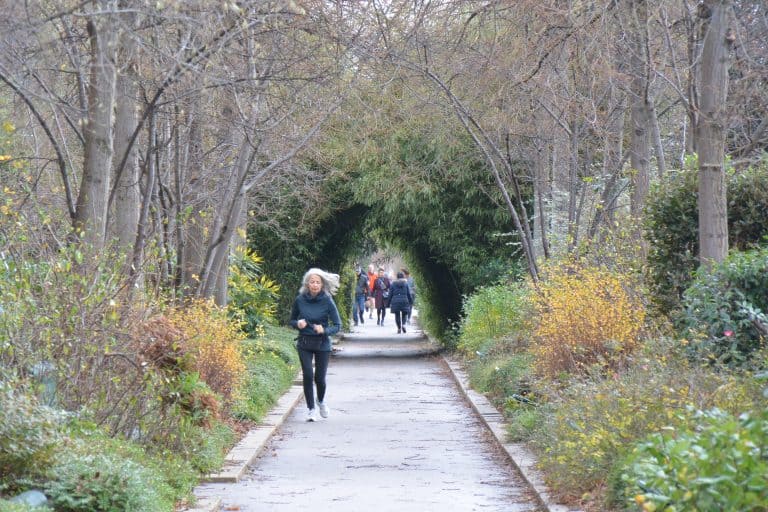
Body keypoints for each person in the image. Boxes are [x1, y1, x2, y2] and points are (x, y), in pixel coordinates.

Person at [289, 268, 341, 422]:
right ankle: (311, 409)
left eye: (318, 282)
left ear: (322, 284)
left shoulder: (327, 300)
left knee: (320, 378)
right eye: (312, 282)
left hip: (322, 343)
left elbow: (337, 325)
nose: (315, 285)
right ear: (307, 284)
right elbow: (291, 320)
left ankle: (321, 401)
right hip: (305, 342)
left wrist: (324, 330)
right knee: (307, 375)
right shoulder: (300, 300)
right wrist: (298, 323)